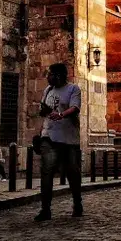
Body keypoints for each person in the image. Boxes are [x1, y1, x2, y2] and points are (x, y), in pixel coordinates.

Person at [35, 63, 83, 222]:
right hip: (49, 136)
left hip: (69, 139)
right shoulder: (48, 90)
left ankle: (77, 204)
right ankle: (45, 209)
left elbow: (75, 108)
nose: (47, 77)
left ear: (59, 75)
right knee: (46, 172)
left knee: (73, 173)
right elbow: (43, 112)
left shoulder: (73, 89)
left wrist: (61, 114)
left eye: (50, 74)